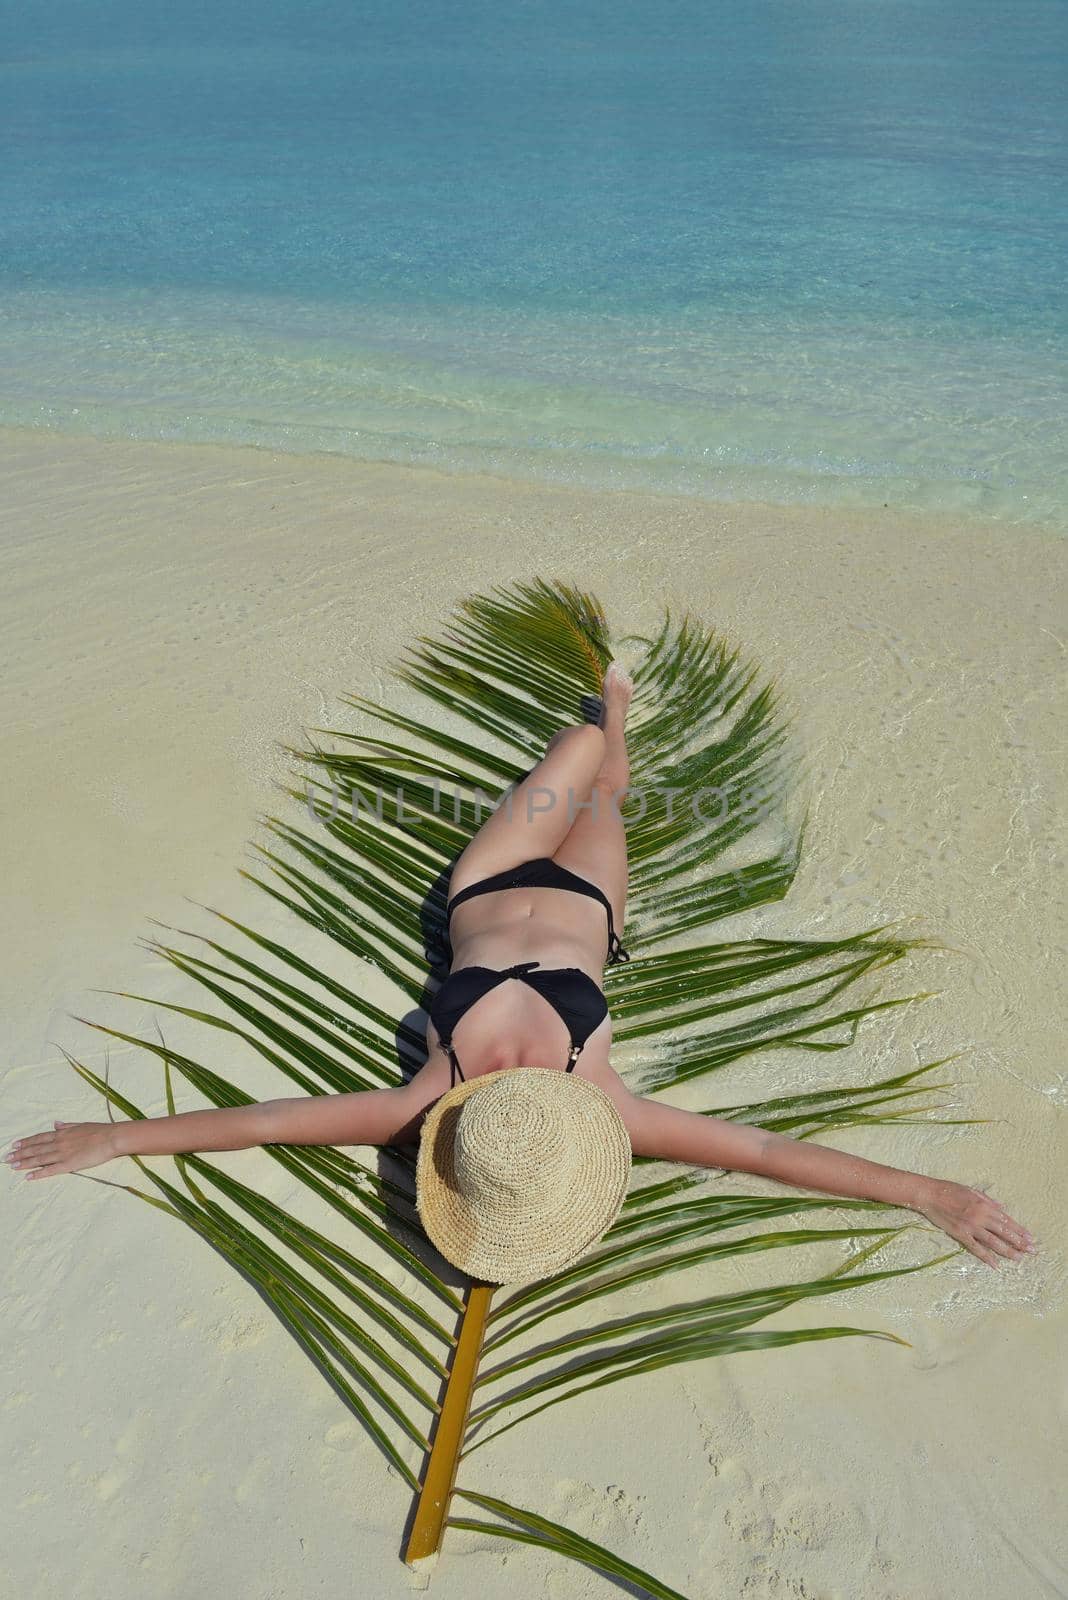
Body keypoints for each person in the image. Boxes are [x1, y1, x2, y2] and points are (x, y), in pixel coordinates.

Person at [6, 663, 1036, 1273]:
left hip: (486, 879)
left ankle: (604, 711)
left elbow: (268, 1118)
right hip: (592, 908)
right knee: (606, 784)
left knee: (581, 756)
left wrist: (122, 1133)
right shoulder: (604, 1102)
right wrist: (926, 1191)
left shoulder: (431, 1095)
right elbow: (763, 1151)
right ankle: (611, 719)